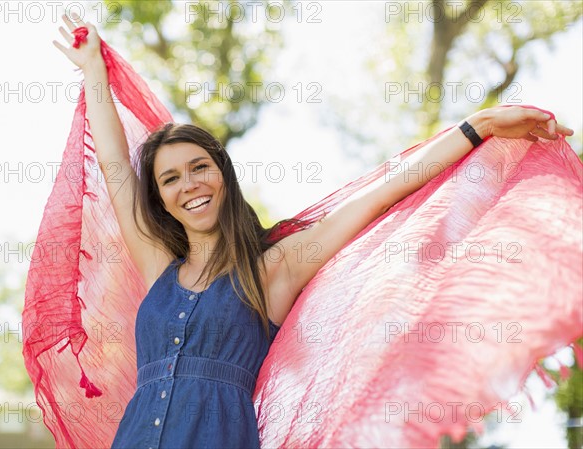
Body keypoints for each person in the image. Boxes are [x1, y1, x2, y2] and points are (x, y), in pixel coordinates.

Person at [51, 13, 575, 449]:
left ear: (223, 176)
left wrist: (477, 127)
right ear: (161, 198)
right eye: (170, 177)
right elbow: (116, 168)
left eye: (199, 167)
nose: (189, 184)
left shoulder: (272, 270)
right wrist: (94, 70)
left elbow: (378, 197)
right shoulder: (156, 268)